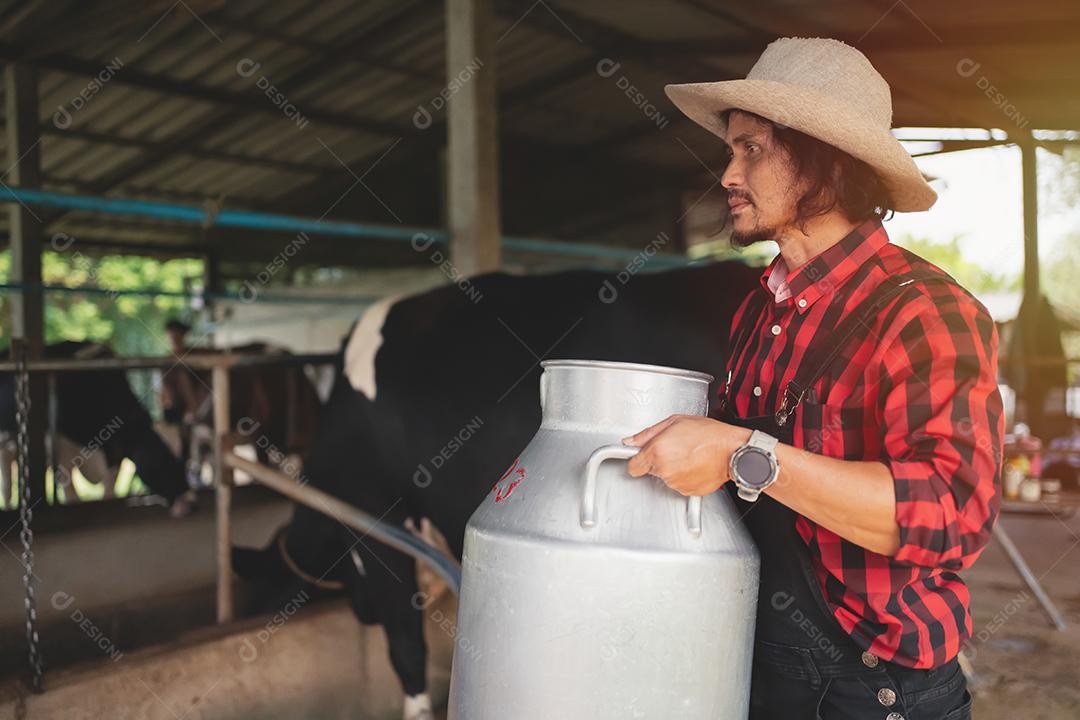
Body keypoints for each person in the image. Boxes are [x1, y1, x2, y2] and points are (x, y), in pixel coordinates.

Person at [624, 38, 1003, 719]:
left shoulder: (924, 310)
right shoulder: (758, 310)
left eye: (752, 149)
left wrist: (743, 454)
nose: (728, 174)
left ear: (826, 159)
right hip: (764, 666)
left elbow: (951, 516)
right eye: (730, 151)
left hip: (877, 688)